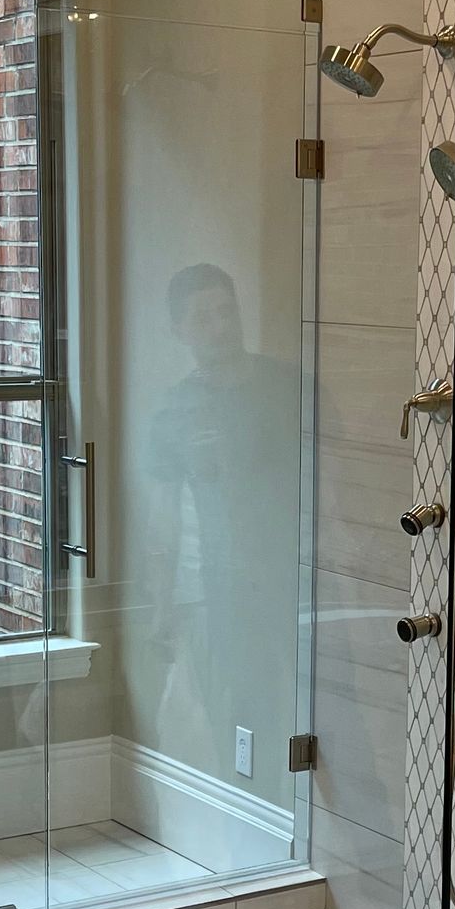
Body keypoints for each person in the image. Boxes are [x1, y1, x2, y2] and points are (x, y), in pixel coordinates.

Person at [143, 264, 299, 779]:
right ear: (179, 330)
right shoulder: (176, 411)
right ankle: (255, 810)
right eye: (202, 317)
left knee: (324, 709)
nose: (219, 326)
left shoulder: (288, 388)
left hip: (298, 579)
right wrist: (161, 607)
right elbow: (164, 516)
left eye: (226, 311)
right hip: (226, 591)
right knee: (247, 714)